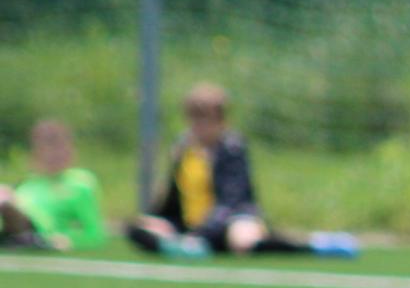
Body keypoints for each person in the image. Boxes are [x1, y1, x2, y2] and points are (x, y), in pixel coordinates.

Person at [127, 82, 358, 259]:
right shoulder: (183, 150)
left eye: (205, 120)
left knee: (242, 242)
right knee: (140, 227)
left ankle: (315, 246)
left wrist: (201, 233)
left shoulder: (232, 149)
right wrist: (162, 220)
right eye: (193, 119)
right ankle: (185, 248)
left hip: (230, 221)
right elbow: (171, 201)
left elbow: (231, 201)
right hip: (191, 226)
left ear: (221, 121)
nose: (198, 127)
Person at [4, 120, 107, 251]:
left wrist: (68, 239)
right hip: (11, 230)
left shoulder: (80, 183)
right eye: (47, 147)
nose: (54, 154)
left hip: (37, 232)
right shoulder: (28, 185)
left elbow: (94, 233)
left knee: (5, 199)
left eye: (59, 146)